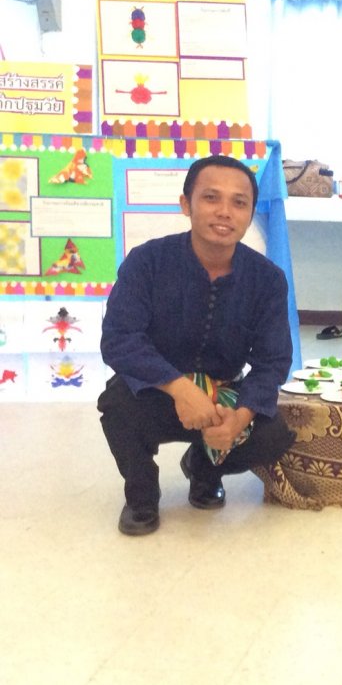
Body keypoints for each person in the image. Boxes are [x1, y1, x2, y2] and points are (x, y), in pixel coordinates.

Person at [98, 155, 296, 536]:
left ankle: (204, 469)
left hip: (222, 397)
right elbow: (119, 339)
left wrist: (240, 418)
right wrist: (181, 389)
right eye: (211, 198)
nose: (224, 212)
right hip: (158, 391)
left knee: (273, 434)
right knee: (117, 405)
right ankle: (141, 495)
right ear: (186, 204)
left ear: (250, 213)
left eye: (239, 202)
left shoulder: (267, 279)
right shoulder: (147, 262)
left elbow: (273, 362)